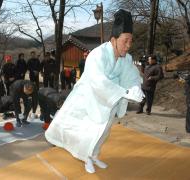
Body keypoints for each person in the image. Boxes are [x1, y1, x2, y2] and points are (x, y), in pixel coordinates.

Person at [45, 9, 144, 173]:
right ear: (113, 40)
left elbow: (132, 76)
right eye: (125, 41)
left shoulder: (126, 59)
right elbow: (98, 81)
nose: (128, 45)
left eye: (130, 41)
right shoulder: (97, 54)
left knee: (103, 133)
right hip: (88, 100)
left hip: (109, 102)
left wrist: (135, 88)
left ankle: (95, 155)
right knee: (87, 133)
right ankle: (86, 158)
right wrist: (124, 93)